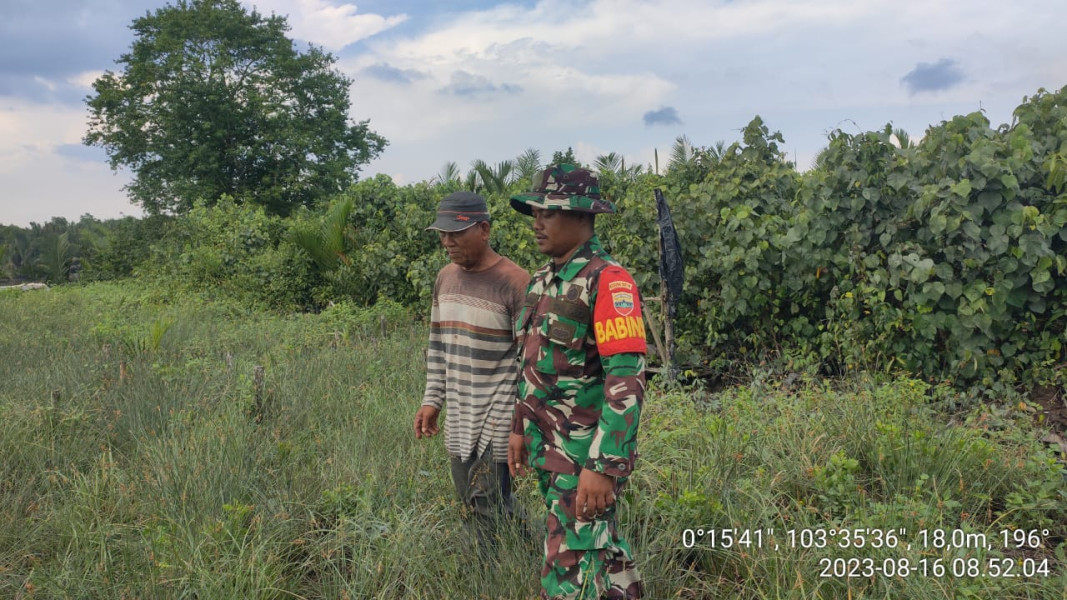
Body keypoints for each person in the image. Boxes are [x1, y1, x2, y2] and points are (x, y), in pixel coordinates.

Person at [507, 164, 646, 599]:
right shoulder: (542, 281)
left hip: (584, 456)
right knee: (596, 554)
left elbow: (626, 380)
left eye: (547, 213)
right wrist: (518, 427)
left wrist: (603, 467)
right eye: (535, 213)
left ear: (583, 216)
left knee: (571, 565)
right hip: (549, 450)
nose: (537, 223)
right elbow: (530, 364)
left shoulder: (608, 281)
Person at [414, 190, 531, 553]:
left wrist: (520, 424)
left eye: (456, 233)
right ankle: (531, 549)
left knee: (486, 504)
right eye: (442, 234)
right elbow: (438, 345)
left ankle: (486, 571)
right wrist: (433, 399)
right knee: (471, 500)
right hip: (460, 415)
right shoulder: (445, 279)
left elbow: (529, 363)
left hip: (499, 413)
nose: (447, 242)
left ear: (484, 229)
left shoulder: (515, 282)